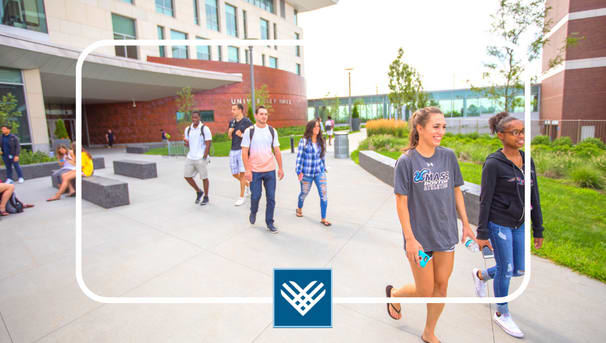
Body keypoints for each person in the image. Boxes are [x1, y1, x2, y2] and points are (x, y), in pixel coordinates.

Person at [385, 106, 475, 343]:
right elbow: (401, 203)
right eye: (436, 126)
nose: (441, 131)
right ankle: (394, 294)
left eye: (443, 127)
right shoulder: (406, 162)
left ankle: (429, 331)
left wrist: (465, 224)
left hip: (445, 235)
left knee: (442, 286)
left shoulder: (448, 156)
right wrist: (410, 239)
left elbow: (457, 191)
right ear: (420, 128)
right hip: (420, 240)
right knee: (425, 290)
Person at [471, 112, 544, 339]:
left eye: (523, 131)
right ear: (501, 135)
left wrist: (538, 229)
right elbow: (485, 199)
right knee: (506, 269)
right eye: (515, 132)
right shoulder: (493, 164)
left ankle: (481, 275)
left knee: (518, 269)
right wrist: (482, 233)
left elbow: (534, 195)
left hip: (520, 224)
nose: (521, 136)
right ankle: (502, 313)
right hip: (499, 224)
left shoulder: (527, 159)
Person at [241, 106, 284, 233]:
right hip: (255, 170)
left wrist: (280, 168)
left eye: (265, 114)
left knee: (271, 198)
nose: (264, 116)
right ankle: (253, 211)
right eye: (261, 114)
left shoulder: (272, 131)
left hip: (270, 170)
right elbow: (244, 151)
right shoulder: (249, 131)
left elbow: (277, 150)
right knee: (256, 196)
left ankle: (269, 222)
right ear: (256, 116)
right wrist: (247, 170)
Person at [295, 120, 331, 226]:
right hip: (307, 173)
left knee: (324, 194)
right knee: (304, 193)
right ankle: (299, 208)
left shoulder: (321, 141)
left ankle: (323, 218)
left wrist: (324, 168)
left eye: (318, 126)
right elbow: (299, 157)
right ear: (310, 128)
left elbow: (322, 156)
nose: (317, 128)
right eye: (315, 126)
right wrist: (298, 171)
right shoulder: (304, 141)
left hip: (319, 171)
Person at [183, 111, 212, 206]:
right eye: (193, 117)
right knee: (187, 176)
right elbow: (188, 144)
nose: (194, 119)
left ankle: (206, 196)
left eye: (196, 117)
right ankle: (199, 191)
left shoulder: (204, 128)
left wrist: (205, 156)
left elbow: (208, 143)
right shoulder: (188, 129)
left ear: (199, 117)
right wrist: (186, 143)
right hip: (190, 157)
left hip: (200, 157)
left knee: (204, 177)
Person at [228, 103, 253, 206]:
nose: (232, 111)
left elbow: (252, 137)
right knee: (234, 173)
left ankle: (241, 197)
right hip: (233, 150)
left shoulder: (247, 122)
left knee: (242, 174)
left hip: (243, 150)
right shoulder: (232, 122)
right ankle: (247, 185)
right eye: (232, 109)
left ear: (240, 110)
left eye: (234, 109)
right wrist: (230, 132)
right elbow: (230, 137)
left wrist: (242, 135)